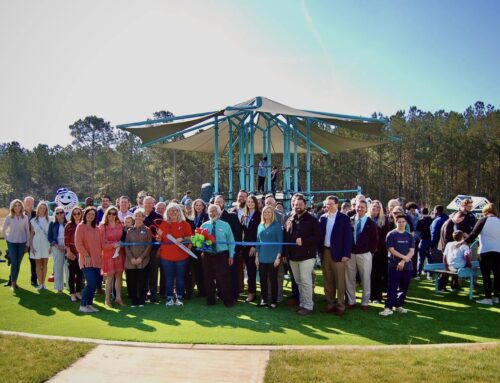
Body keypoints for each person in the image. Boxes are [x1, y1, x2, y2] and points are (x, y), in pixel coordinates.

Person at [283, 195, 321, 315]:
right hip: (293, 256)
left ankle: (308, 305)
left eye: (300, 204)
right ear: (292, 205)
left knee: (305, 280)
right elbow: (286, 237)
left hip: (307, 256)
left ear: (305, 205)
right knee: (298, 281)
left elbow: (318, 237)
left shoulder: (312, 219)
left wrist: (304, 241)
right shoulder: (290, 219)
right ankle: (302, 303)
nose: (297, 206)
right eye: (295, 204)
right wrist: (285, 253)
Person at [318, 195, 352, 316]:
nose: (329, 206)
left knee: (340, 281)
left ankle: (341, 306)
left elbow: (348, 238)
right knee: (328, 280)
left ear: (337, 204)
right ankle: (330, 304)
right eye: (327, 204)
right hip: (326, 252)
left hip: (339, 253)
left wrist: (346, 254)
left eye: (331, 204)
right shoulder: (323, 218)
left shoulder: (344, 218)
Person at [156, 203, 193, 306]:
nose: (173, 212)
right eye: (171, 210)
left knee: (180, 278)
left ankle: (179, 297)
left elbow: (190, 237)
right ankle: (169, 298)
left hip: (182, 256)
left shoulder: (185, 224)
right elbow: (158, 236)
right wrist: (158, 238)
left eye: (175, 210)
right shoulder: (163, 224)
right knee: (169, 278)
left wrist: (182, 238)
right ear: (167, 212)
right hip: (166, 256)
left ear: (179, 212)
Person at [463, 203, 500, 305]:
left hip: (486, 252)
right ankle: (496, 297)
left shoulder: (482, 220)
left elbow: (473, 234)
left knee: (486, 276)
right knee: (497, 275)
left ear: (485, 211)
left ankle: (488, 298)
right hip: (498, 252)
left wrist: (463, 242)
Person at [200, 204, 236, 307]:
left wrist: (231, 255)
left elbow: (231, 241)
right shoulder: (204, 225)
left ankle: (228, 300)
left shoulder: (226, 225)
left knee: (223, 278)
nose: (212, 213)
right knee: (208, 278)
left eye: (214, 211)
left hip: (222, 255)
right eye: (210, 211)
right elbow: (200, 241)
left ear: (219, 213)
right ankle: (210, 300)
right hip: (208, 255)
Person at [379, 214, 415, 316]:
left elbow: (411, 251)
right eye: (399, 222)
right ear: (396, 222)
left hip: (407, 266)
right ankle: (388, 308)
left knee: (404, 288)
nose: (401, 223)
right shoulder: (391, 234)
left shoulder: (409, 236)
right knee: (392, 287)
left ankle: (399, 305)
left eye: (403, 222)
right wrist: (403, 259)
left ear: (406, 223)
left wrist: (403, 261)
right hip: (394, 265)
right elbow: (392, 250)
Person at [346, 200, 378, 310]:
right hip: (350, 254)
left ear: (366, 208)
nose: (359, 209)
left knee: (365, 279)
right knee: (350, 279)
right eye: (358, 207)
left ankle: (365, 302)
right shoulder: (350, 220)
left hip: (365, 255)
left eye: (362, 207)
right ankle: (351, 301)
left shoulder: (371, 223)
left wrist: (370, 252)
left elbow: (375, 240)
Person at [75, 207, 103, 313]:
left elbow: (101, 245)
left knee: (95, 283)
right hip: (86, 260)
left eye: (93, 214)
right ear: (85, 214)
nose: (90, 216)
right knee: (91, 283)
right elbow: (78, 244)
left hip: (97, 261)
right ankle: (82, 305)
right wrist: (86, 255)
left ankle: (89, 304)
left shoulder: (97, 229)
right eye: (89, 214)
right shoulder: (81, 227)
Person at [215, 194, 242, 300]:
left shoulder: (232, 216)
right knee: (219, 274)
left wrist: (234, 250)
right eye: (216, 202)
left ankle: (233, 295)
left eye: (220, 202)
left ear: (224, 204)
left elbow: (238, 234)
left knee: (231, 273)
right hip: (215, 252)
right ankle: (221, 294)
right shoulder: (209, 217)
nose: (218, 204)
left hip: (229, 251)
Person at [255, 206, 283, 308]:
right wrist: (256, 257)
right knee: (262, 280)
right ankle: (264, 300)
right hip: (262, 257)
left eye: (269, 212)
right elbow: (258, 242)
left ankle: (273, 301)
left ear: (273, 214)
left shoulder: (277, 226)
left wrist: (278, 257)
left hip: (273, 258)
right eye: (265, 212)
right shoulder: (260, 226)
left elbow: (280, 243)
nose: (267, 214)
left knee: (273, 280)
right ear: (262, 214)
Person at [125, 209, 152, 307]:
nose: (138, 218)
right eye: (136, 216)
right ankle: (134, 300)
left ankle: (141, 300)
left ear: (143, 218)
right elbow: (126, 246)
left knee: (142, 281)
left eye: (140, 216)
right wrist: (131, 258)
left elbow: (149, 245)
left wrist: (141, 258)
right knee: (132, 281)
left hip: (143, 260)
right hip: (130, 260)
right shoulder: (129, 230)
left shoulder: (147, 230)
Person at [99, 206, 125, 307]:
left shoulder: (119, 224)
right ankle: (107, 299)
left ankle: (118, 298)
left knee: (119, 276)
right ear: (106, 214)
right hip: (108, 254)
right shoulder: (102, 226)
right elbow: (102, 244)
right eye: (109, 213)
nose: (111, 216)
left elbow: (122, 237)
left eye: (114, 214)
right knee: (109, 277)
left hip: (119, 253)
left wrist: (121, 243)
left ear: (116, 215)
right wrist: (112, 245)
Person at [2, 199, 30, 291]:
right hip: (12, 243)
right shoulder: (9, 217)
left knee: (18, 263)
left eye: (19, 205)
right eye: (15, 205)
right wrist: (7, 239)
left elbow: (27, 231)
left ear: (21, 206)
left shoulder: (25, 217)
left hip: (22, 243)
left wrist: (28, 244)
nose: (17, 207)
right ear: (12, 207)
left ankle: (14, 281)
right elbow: (4, 230)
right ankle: (13, 283)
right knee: (14, 262)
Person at [368, 199, 391, 303]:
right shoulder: (367, 218)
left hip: (380, 252)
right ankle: (369, 296)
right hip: (367, 251)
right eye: (374, 206)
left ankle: (377, 297)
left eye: (378, 207)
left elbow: (385, 236)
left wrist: (377, 246)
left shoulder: (385, 220)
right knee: (368, 275)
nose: (376, 208)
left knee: (378, 274)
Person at [241, 195, 261, 303]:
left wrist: (254, 245)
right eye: (248, 201)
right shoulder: (244, 215)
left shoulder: (259, 215)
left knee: (251, 271)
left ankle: (252, 293)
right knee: (246, 271)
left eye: (252, 201)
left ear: (255, 203)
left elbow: (258, 233)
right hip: (243, 247)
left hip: (252, 248)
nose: (250, 203)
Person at [143, 196, 163, 303]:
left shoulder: (158, 217)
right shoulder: (139, 215)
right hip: (141, 250)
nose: (148, 205)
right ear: (143, 203)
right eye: (147, 203)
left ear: (153, 204)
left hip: (154, 249)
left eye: (151, 203)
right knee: (143, 272)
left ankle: (153, 294)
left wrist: (159, 247)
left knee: (153, 272)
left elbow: (161, 234)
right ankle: (144, 293)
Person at [190, 199, 209, 297]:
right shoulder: (192, 218)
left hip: (203, 247)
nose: (198, 207)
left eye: (200, 205)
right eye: (196, 205)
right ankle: (200, 290)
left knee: (203, 269)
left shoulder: (206, 217)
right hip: (194, 247)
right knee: (197, 269)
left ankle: (205, 290)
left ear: (203, 207)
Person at [30, 201, 51, 290]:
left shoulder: (50, 219)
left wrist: (51, 246)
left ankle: (44, 283)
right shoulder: (33, 220)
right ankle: (40, 284)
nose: (42, 209)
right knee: (38, 264)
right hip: (36, 243)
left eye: (44, 208)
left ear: (46, 210)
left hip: (47, 244)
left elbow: (51, 234)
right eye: (41, 208)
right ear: (38, 209)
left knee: (45, 263)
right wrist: (31, 246)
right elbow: (31, 234)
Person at [65, 206, 83, 302]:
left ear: (81, 214)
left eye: (78, 213)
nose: (76, 215)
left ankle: (78, 292)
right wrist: (68, 251)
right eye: (74, 213)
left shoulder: (84, 225)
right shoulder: (69, 225)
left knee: (80, 274)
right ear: (72, 215)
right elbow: (66, 240)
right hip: (71, 253)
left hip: (82, 254)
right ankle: (72, 293)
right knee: (72, 274)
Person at [48, 206, 68, 293]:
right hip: (56, 247)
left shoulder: (68, 223)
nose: (60, 214)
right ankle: (59, 288)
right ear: (55, 215)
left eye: (61, 212)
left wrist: (66, 246)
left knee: (68, 268)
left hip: (67, 247)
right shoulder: (52, 224)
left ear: (64, 213)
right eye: (57, 213)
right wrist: (57, 246)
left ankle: (69, 286)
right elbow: (49, 237)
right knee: (58, 267)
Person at [23, 196, 38, 287]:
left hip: (33, 241)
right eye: (27, 202)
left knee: (33, 261)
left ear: (33, 203)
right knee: (16, 261)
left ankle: (34, 280)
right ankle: (12, 280)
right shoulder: (20, 213)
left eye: (30, 202)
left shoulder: (36, 213)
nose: (28, 203)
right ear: (24, 202)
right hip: (21, 240)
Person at [416, 207, 433, 279]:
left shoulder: (420, 221)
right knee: (429, 258)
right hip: (430, 240)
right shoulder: (432, 220)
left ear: (422, 213)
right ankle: (429, 274)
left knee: (421, 258)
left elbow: (417, 229)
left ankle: (418, 274)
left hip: (423, 240)